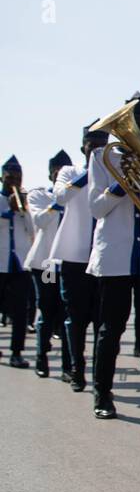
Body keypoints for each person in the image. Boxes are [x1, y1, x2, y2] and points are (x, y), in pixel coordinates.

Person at [87, 93, 140, 428]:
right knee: (110, 328)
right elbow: (95, 209)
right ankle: (103, 395)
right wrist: (121, 186)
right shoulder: (101, 158)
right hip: (116, 256)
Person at [51, 123, 105, 393]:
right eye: (91, 144)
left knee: (101, 320)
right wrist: (90, 173)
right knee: (75, 317)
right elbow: (60, 197)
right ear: (83, 146)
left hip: (103, 256)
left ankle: (98, 373)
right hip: (75, 256)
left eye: (101, 144)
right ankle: (76, 368)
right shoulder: (69, 172)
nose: (96, 149)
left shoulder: (110, 170)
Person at [24, 150, 73, 378]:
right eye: (57, 172)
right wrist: (59, 199)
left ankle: (67, 366)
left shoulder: (75, 195)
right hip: (45, 263)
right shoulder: (39, 195)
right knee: (46, 308)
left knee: (67, 314)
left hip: (66, 261)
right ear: (51, 173)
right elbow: (41, 221)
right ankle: (41, 357)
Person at [1, 156, 34, 368]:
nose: (14, 181)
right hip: (0, 263)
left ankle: (16, 352)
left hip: (20, 264)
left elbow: (32, 231)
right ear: (2, 177)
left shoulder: (25, 201)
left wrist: (24, 211)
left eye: (18, 177)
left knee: (21, 310)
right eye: (10, 177)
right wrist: (8, 213)